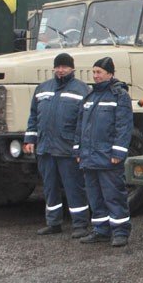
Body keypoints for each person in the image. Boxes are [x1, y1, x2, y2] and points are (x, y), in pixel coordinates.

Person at [24, 52, 91, 238]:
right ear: (54, 68)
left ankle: (80, 225)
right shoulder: (43, 88)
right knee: (49, 187)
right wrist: (30, 139)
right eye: (58, 67)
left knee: (74, 188)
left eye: (65, 67)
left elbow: (85, 123)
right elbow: (33, 116)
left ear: (72, 69)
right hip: (46, 148)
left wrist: (80, 146)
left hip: (68, 149)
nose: (61, 70)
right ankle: (53, 222)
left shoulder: (82, 90)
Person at [76, 57, 133, 247]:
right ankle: (100, 230)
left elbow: (123, 126)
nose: (95, 76)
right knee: (95, 196)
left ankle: (120, 232)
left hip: (108, 157)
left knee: (114, 195)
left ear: (110, 73)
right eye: (94, 72)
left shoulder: (119, 95)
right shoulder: (90, 96)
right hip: (90, 157)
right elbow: (80, 126)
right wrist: (78, 150)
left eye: (99, 72)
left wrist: (118, 152)